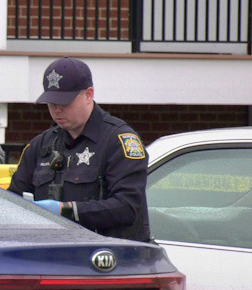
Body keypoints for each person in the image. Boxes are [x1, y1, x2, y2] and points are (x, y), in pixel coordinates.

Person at [8, 57, 150, 242]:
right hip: (52, 254)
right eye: (51, 103)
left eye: (64, 103)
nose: (57, 110)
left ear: (88, 95)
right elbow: (12, 200)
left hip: (110, 258)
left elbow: (128, 207)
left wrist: (66, 210)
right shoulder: (41, 145)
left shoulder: (118, 141)